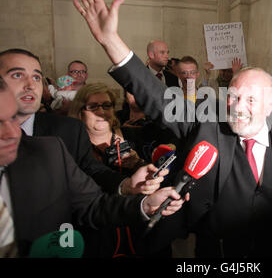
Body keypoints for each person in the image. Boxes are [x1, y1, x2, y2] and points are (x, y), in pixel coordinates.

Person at [73, 0, 272, 257]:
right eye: (233, 96)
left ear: (271, 105)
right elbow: (159, 100)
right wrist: (110, 40)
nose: (238, 107)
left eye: (250, 99)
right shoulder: (208, 124)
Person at [0, 78, 187, 257]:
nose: (101, 111)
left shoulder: (133, 135)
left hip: (137, 232)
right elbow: (87, 193)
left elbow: (167, 142)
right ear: (80, 111)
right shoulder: (65, 146)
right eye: (93, 106)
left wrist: (140, 167)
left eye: (107, 105)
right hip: (97, 237)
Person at [0, 48, 159, 195]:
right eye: (17, 75)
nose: (30, 85)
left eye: (36, 77)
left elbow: (92, 177)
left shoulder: (66, 130)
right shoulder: (66, 132)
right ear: (80, 111)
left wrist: (130, 180)